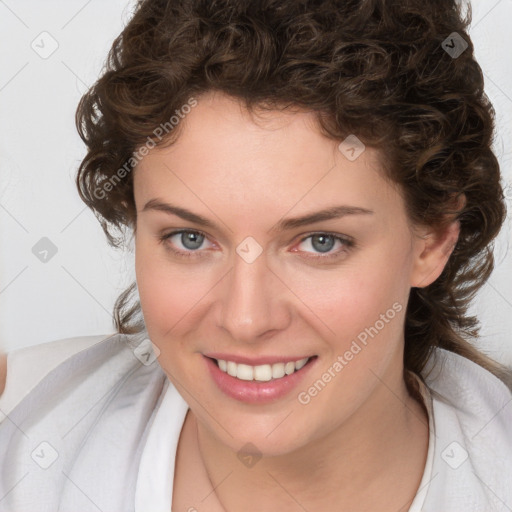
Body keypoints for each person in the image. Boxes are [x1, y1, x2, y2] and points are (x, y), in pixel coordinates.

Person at [1, 0, 511, 511]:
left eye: (320, 242)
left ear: (434, 240)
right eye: (190, 238)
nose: (245, 320)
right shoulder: (17, 430)